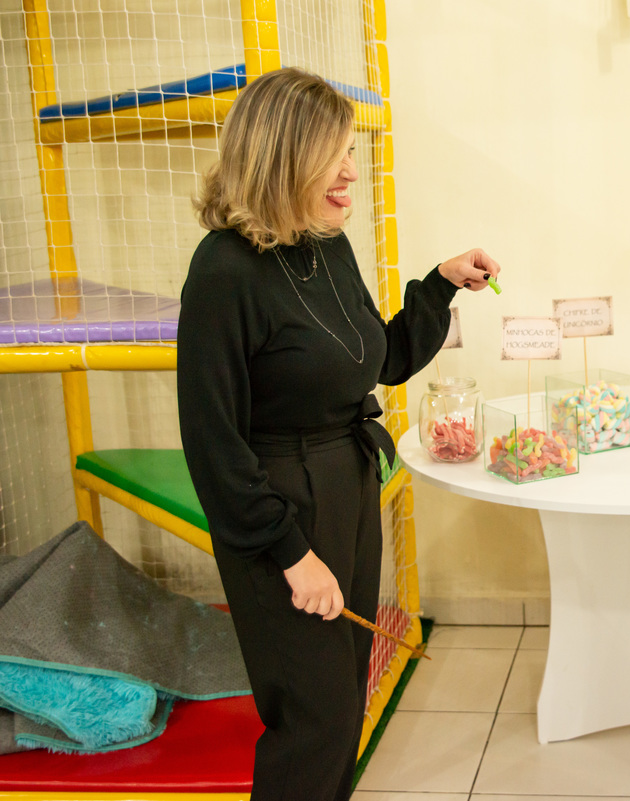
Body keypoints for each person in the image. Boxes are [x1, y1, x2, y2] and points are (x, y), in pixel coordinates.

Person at [177, 67, 500, 801]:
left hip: (346, 482)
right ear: (283, 154)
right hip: (278, 508)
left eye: (350, 150)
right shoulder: (223, 271)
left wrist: (439, 285)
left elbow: (377, 359)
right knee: (312, 719)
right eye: (335, 152)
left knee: (341, 703)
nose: (351, 170)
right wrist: (290, 554)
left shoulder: (327, 244)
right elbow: (212, 443)